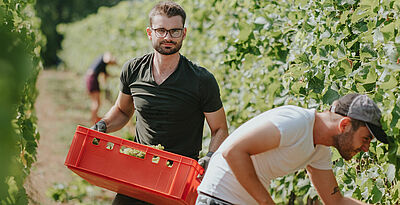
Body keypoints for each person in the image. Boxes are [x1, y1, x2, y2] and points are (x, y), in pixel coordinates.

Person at [91, 1, 229, 204]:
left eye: (175, 31)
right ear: (150, 32)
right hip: (138, 168)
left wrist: (209, 158)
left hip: (179, 178)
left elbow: (220, 129)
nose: (168, 37)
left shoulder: (201, 80)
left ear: (184, 33)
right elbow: (122, 110)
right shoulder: (133, 69)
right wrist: (102, 125)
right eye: (161, 30)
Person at [196, 93, 389, 205]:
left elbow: (336, 201)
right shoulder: (295, 123)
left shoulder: (319, 151)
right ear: (345, 124)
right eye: (365, 138)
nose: (366, 148)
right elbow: (233, 151)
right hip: (219, 199)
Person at [86, 51, 117, 125]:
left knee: (98, 102)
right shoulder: (106, 55)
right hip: (92, 78)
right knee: (96, 102)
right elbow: (107, 59)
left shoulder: (103, 66)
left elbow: (106, 76)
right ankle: (93, 121)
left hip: (92, 78)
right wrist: (114, 61)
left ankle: (95, 119)